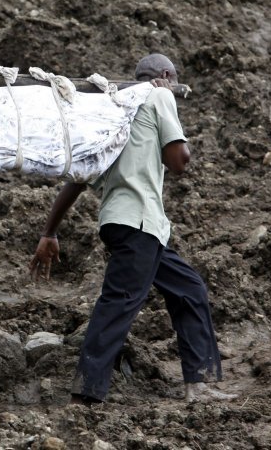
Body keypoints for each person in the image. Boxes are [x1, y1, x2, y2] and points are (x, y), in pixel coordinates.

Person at [29, 53, 236, 404]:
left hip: (131, 225)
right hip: (139, 222)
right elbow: (179, 161)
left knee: (190, 290)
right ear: (167, 76)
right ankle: (87, 393)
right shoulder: (159, 96)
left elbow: (79, 178)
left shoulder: (116, 115)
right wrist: (170, 110)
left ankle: (197, 384)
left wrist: (50, 232)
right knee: (120, 302)